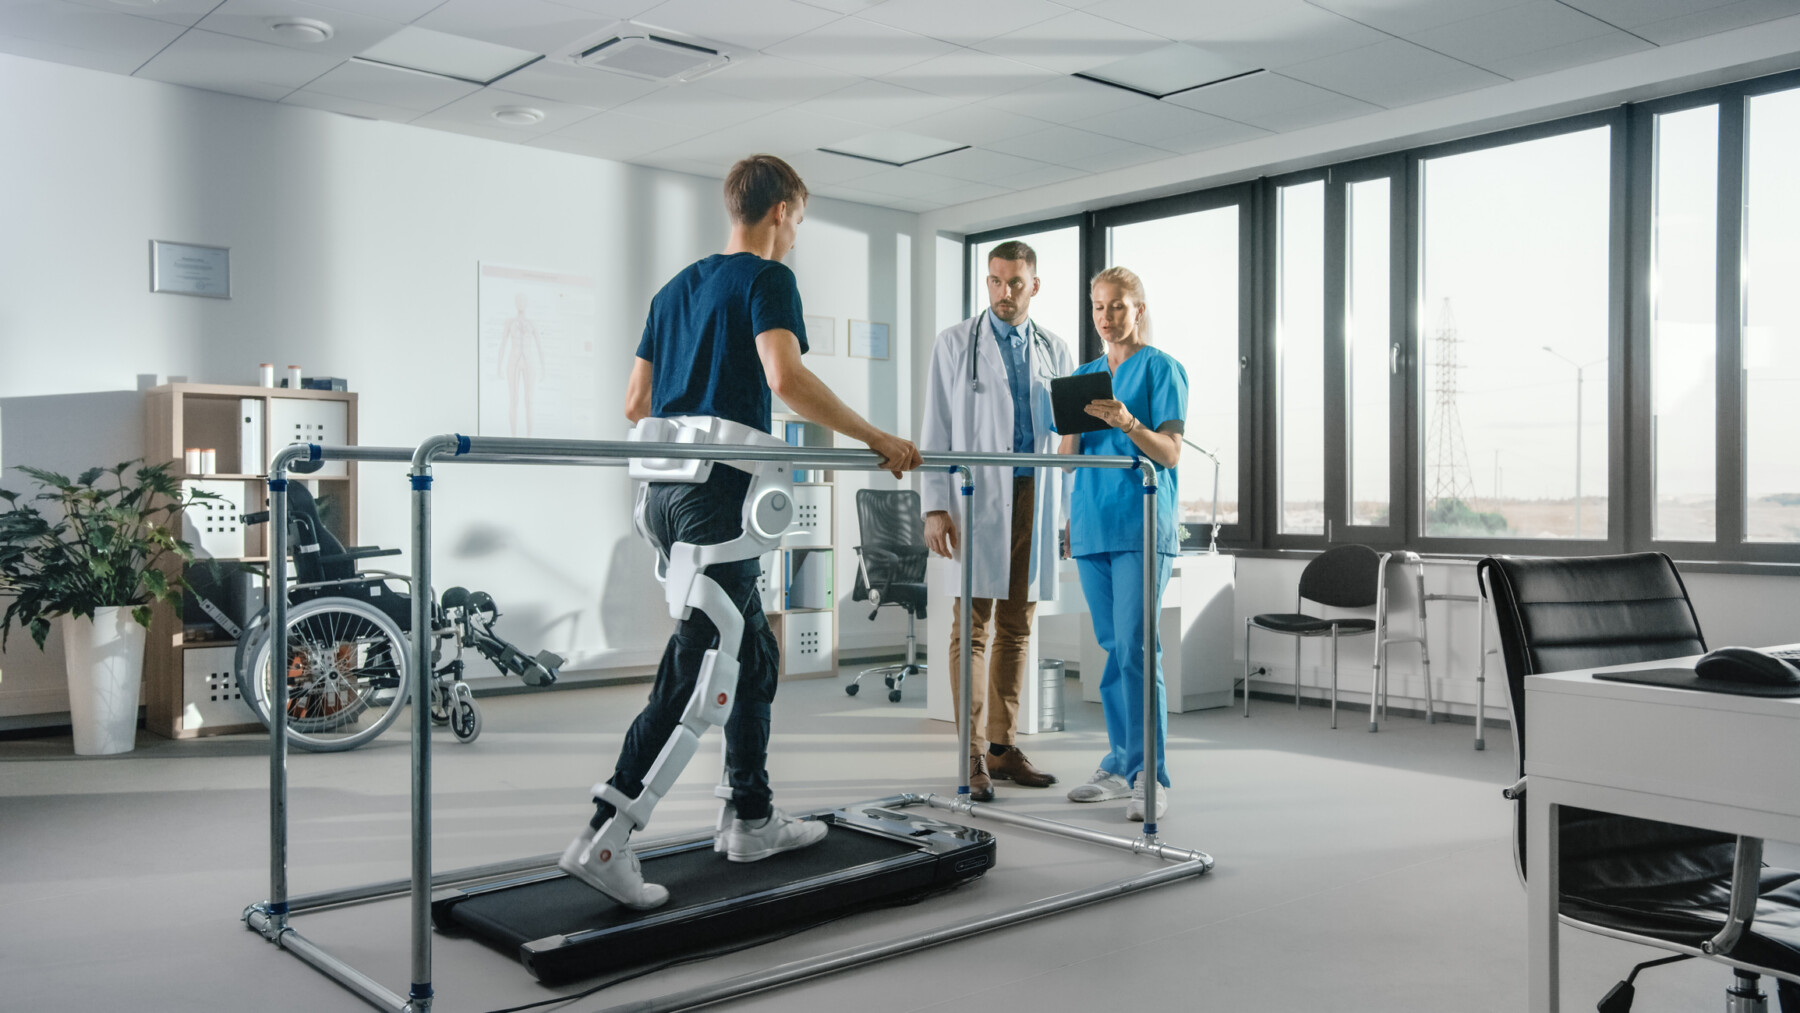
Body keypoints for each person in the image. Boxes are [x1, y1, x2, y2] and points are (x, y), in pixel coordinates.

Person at [560, 155, 921, 909]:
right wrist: (876, 438)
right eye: (800, 220)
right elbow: (785, 378)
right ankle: (605, 833)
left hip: (665, 496)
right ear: (783, 211)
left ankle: (750, 816)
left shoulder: (675, 288)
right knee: (700, 674)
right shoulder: (768, 278)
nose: (797, 234)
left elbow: (635, 402)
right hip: (718, 498)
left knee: (755, 650)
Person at [920, 241, 1075, 802]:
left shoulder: (1055, 349)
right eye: (995, 281)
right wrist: (935, 504)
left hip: (1035, 492)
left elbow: (1067, 437)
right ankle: (971, 754)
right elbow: (935, 426)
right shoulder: (956, 343)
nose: (1004, 293)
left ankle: (1004, 748)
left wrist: (1066, 514)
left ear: (1035, 286)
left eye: (1015, 283)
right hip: (974, 497)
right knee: (973, 627)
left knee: (1017, 626)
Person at [1059, 266, 1187, 822]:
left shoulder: (1163, 369)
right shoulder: (1084, 374)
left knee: (1137, 647)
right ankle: (1118, 763)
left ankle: (1150, 777)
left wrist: (1129, 422)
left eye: (1117, 306)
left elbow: (1171, 452)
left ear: (1138, 309)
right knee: (1114, 648)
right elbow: (1066, 461)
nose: (1107, 318)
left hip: (1140, 524)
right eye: (1098, 307)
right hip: (1092, 524)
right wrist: (1067, 422)